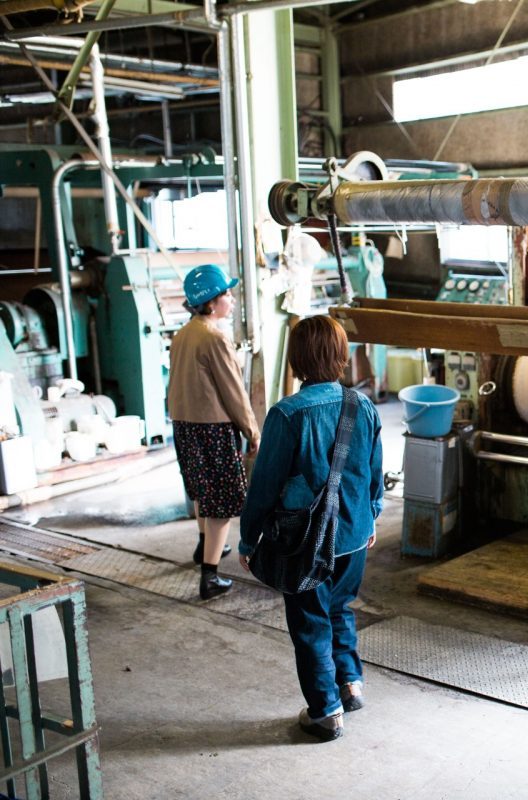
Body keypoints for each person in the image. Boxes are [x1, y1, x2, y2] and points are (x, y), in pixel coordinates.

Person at [239, 315, 383, 743]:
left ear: (297, 361)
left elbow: (263, 488)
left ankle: (325, 712)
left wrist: (249, 540)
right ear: (341, 357)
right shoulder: (365, 406)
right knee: (340, 608)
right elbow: (374, 474)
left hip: (305, 541)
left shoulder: (287, 415)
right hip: (354, 535)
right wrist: (370, 515)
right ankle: (350, 684)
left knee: (309, 621)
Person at [168, 264, 260, 601]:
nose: (232, 299)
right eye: (227, 294)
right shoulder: (216, 338)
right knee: (221, 501)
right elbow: (233, 391)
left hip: (183, 426)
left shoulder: (183, 334)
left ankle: (203, 548)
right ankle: (210, 578)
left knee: (201, 490)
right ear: (211, 302)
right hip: (213, 429)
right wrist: (253, 431)